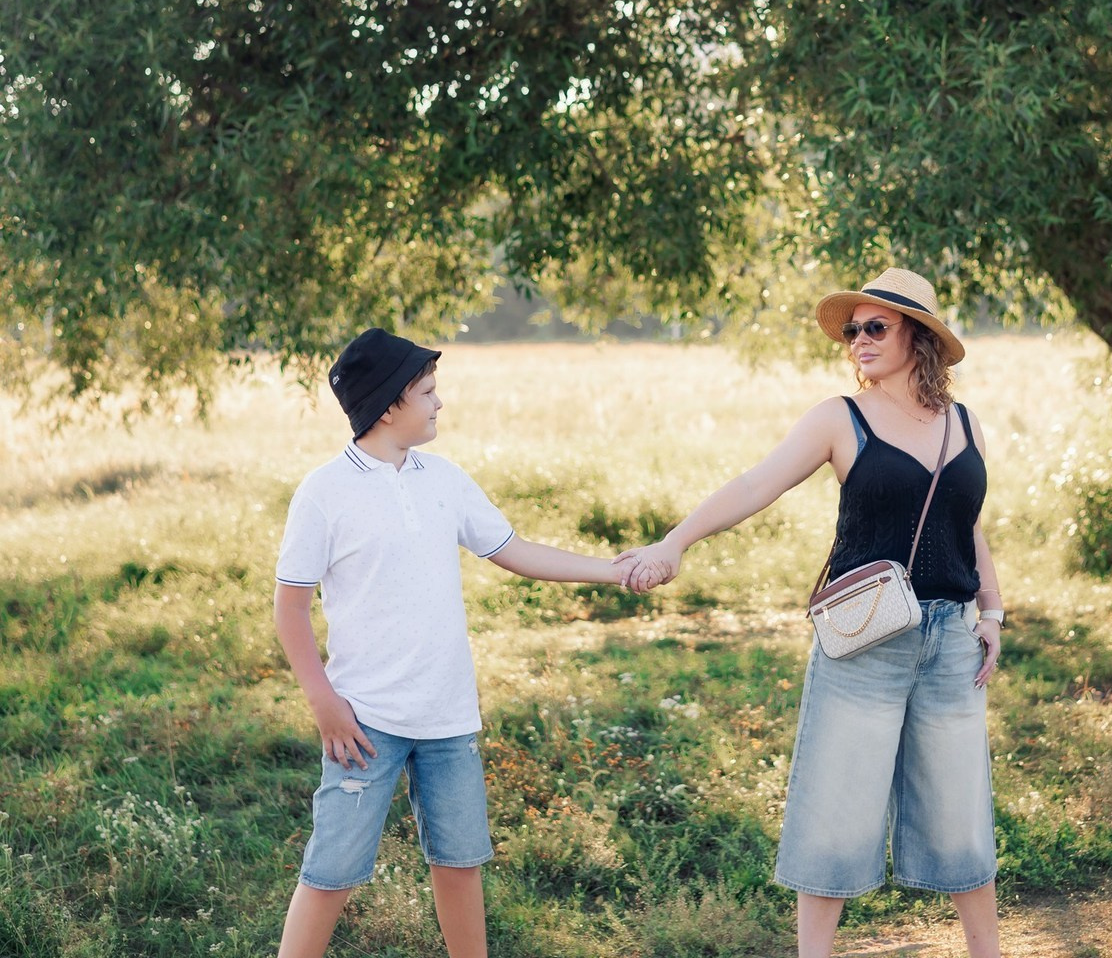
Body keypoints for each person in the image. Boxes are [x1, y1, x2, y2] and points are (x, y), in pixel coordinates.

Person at [617, 268, 1005, 958]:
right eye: (852, 330)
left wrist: (992, 614)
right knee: (834, 815)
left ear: (920, 337)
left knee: (960, 818)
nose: (857, 340)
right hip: (865, 640)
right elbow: (755, 482)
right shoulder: (839, 417)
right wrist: (675, 542)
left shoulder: (964, 422)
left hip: (950, 639)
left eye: (874, 327)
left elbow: (968, 524)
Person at [273, 327, 629, 958]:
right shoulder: (324, 494)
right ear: (388, 406)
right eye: (429, 392)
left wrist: (614, 568)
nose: (440, 404)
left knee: (460, 863)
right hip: (364, 721)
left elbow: (515, 552)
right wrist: (323, 702)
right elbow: (291, 607)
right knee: (332, 873)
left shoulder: (445, 480)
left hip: (448, 715)